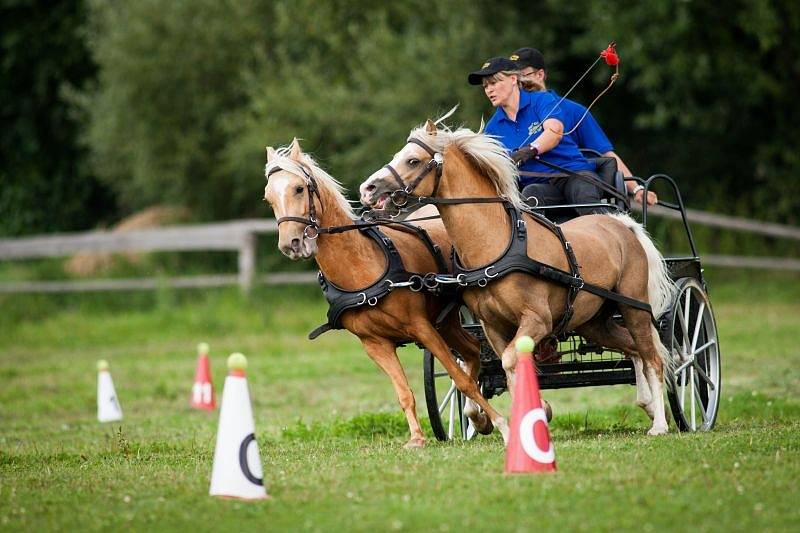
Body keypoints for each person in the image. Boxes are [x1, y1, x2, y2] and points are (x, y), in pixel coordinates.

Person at [510, 47, 658, 206]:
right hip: (535, 193)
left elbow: (606, 153)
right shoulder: (511, 116)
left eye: (523, 75)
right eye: (514, 78)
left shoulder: (574, 111)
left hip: (576, 187)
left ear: (540, 75)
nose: (519, 83)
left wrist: (636, 189)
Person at [468, 57, 609, 216]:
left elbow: (555, 131)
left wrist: (530, 149)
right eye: (485, 86)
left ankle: (618, 233)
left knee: (584, 197)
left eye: (493, 83)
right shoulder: (492, 127)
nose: (489, 90)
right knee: (530, 196)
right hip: (539, 187)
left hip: (573, 175)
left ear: (513, 79)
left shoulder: (541, 100)